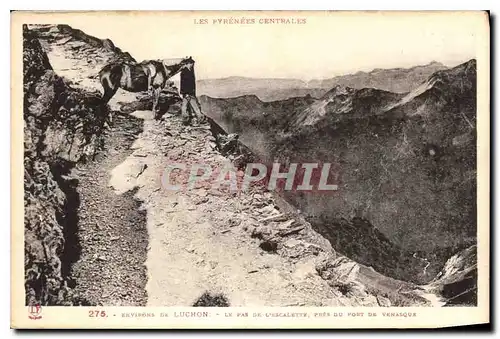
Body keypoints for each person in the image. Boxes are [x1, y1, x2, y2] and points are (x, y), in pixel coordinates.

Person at [180, 58, 206, 126]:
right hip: (188, 93)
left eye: (192, 64)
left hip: (190, 93)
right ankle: (198, 119)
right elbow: (183, 84)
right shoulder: (184, 72)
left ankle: (186, 121)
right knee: (192, 107)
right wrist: (185, 93)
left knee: (187, 107)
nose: (192, 65)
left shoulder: (190, 71)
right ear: (188, 64)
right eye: (191, 64)